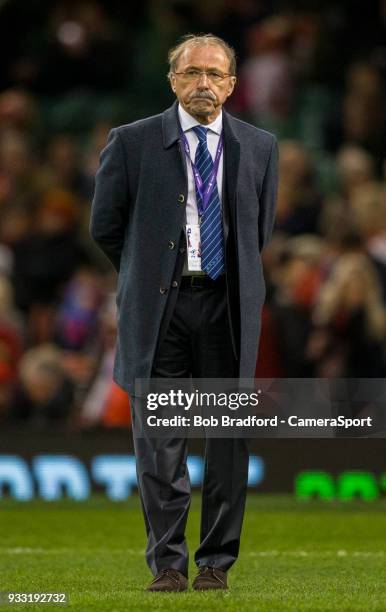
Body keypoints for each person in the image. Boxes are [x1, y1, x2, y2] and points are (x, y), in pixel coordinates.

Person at [90, 33, 278, 592]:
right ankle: (168, 565)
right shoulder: (131, 142)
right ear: (172, 80)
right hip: (161, 310)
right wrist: (150, 275)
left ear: (233, 84)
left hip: (227, 307)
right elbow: (106, 228)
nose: (204, 84)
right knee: (160, 442)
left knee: (227, 440)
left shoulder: (261, 146)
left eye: (216, 75)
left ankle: (215, 564)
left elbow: (258, 231)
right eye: (193, 73)